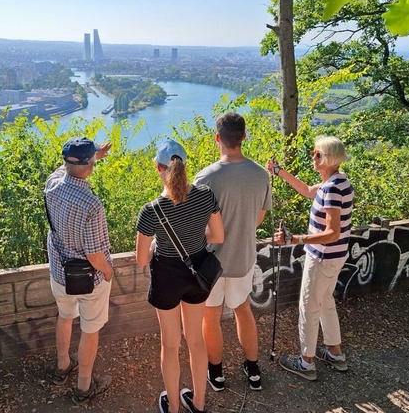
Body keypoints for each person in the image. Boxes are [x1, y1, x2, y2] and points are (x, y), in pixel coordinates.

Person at [136, 139, 224, 413]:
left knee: (170, 344)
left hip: (167, 277)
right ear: (184, 166)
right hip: (198, 273)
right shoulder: (206, 195)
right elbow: (218, 236)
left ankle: (173, 407)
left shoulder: (152, 210)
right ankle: (198, 403)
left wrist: (152, 246)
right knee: (195, 339)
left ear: (157, 168)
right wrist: (195, 239)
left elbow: (141, 259)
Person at [193, 112, 272, 392]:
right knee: (243, 310)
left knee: (210, 317)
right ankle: (253, 370)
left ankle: (216, 374)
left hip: (211, 262)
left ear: (218, 138)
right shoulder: (261, 175)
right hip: (243, 258)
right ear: (244, 137)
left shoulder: (206, 177)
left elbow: (196, 222)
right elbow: (258, 219)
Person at [267, 135, 354, 381]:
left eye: (317, 154)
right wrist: (279, 172)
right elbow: (306, 190)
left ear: (328, 159)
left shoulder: (332, 189)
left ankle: (306, 363)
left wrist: (296, 239)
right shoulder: (338, 181)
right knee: (325, 301)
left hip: (323, 258)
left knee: (308, 306)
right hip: (334, 258)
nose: (312, 157)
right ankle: (335, 354)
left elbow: (331, 233)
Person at [45, 136, 115, 403]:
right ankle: (84, 387)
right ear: (90, 167)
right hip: (89, 278)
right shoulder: (91, 204)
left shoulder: (52, 184)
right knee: (89, 330)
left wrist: (92, 155)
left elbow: (69, 168)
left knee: (65, 316)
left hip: (60, 272)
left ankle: (62, 367)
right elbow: (95, 254)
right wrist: (108, 272)